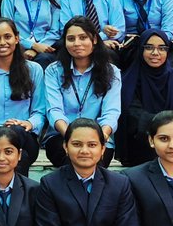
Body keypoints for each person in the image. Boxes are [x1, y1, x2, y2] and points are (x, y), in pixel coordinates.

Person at [115, 33, 173, 169]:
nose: (155, 53)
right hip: (145, 142)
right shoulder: (129, 81)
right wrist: (164, 131)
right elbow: (133, 116)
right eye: (149, 47)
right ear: (141, 49)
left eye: (162, 48)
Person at [43, 16, 120, 166]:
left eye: (83, 37)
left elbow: (111, 112)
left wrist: (100, 136)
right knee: (70, 159)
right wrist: (72, 137)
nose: (77, 43)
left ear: (94, 39)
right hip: (62, 136)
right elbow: (54, 110)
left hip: (99, 138)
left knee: (94, 160)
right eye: (71, 39)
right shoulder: (54, 71)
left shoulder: (111, 72)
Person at [0, 18, 48, 167]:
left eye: (7, 37)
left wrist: (28, 123)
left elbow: (40, 110)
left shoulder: (34, 70)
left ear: (17, 38)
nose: (2, 42)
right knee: (20, 157)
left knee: (16, 133)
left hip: (24, 137)